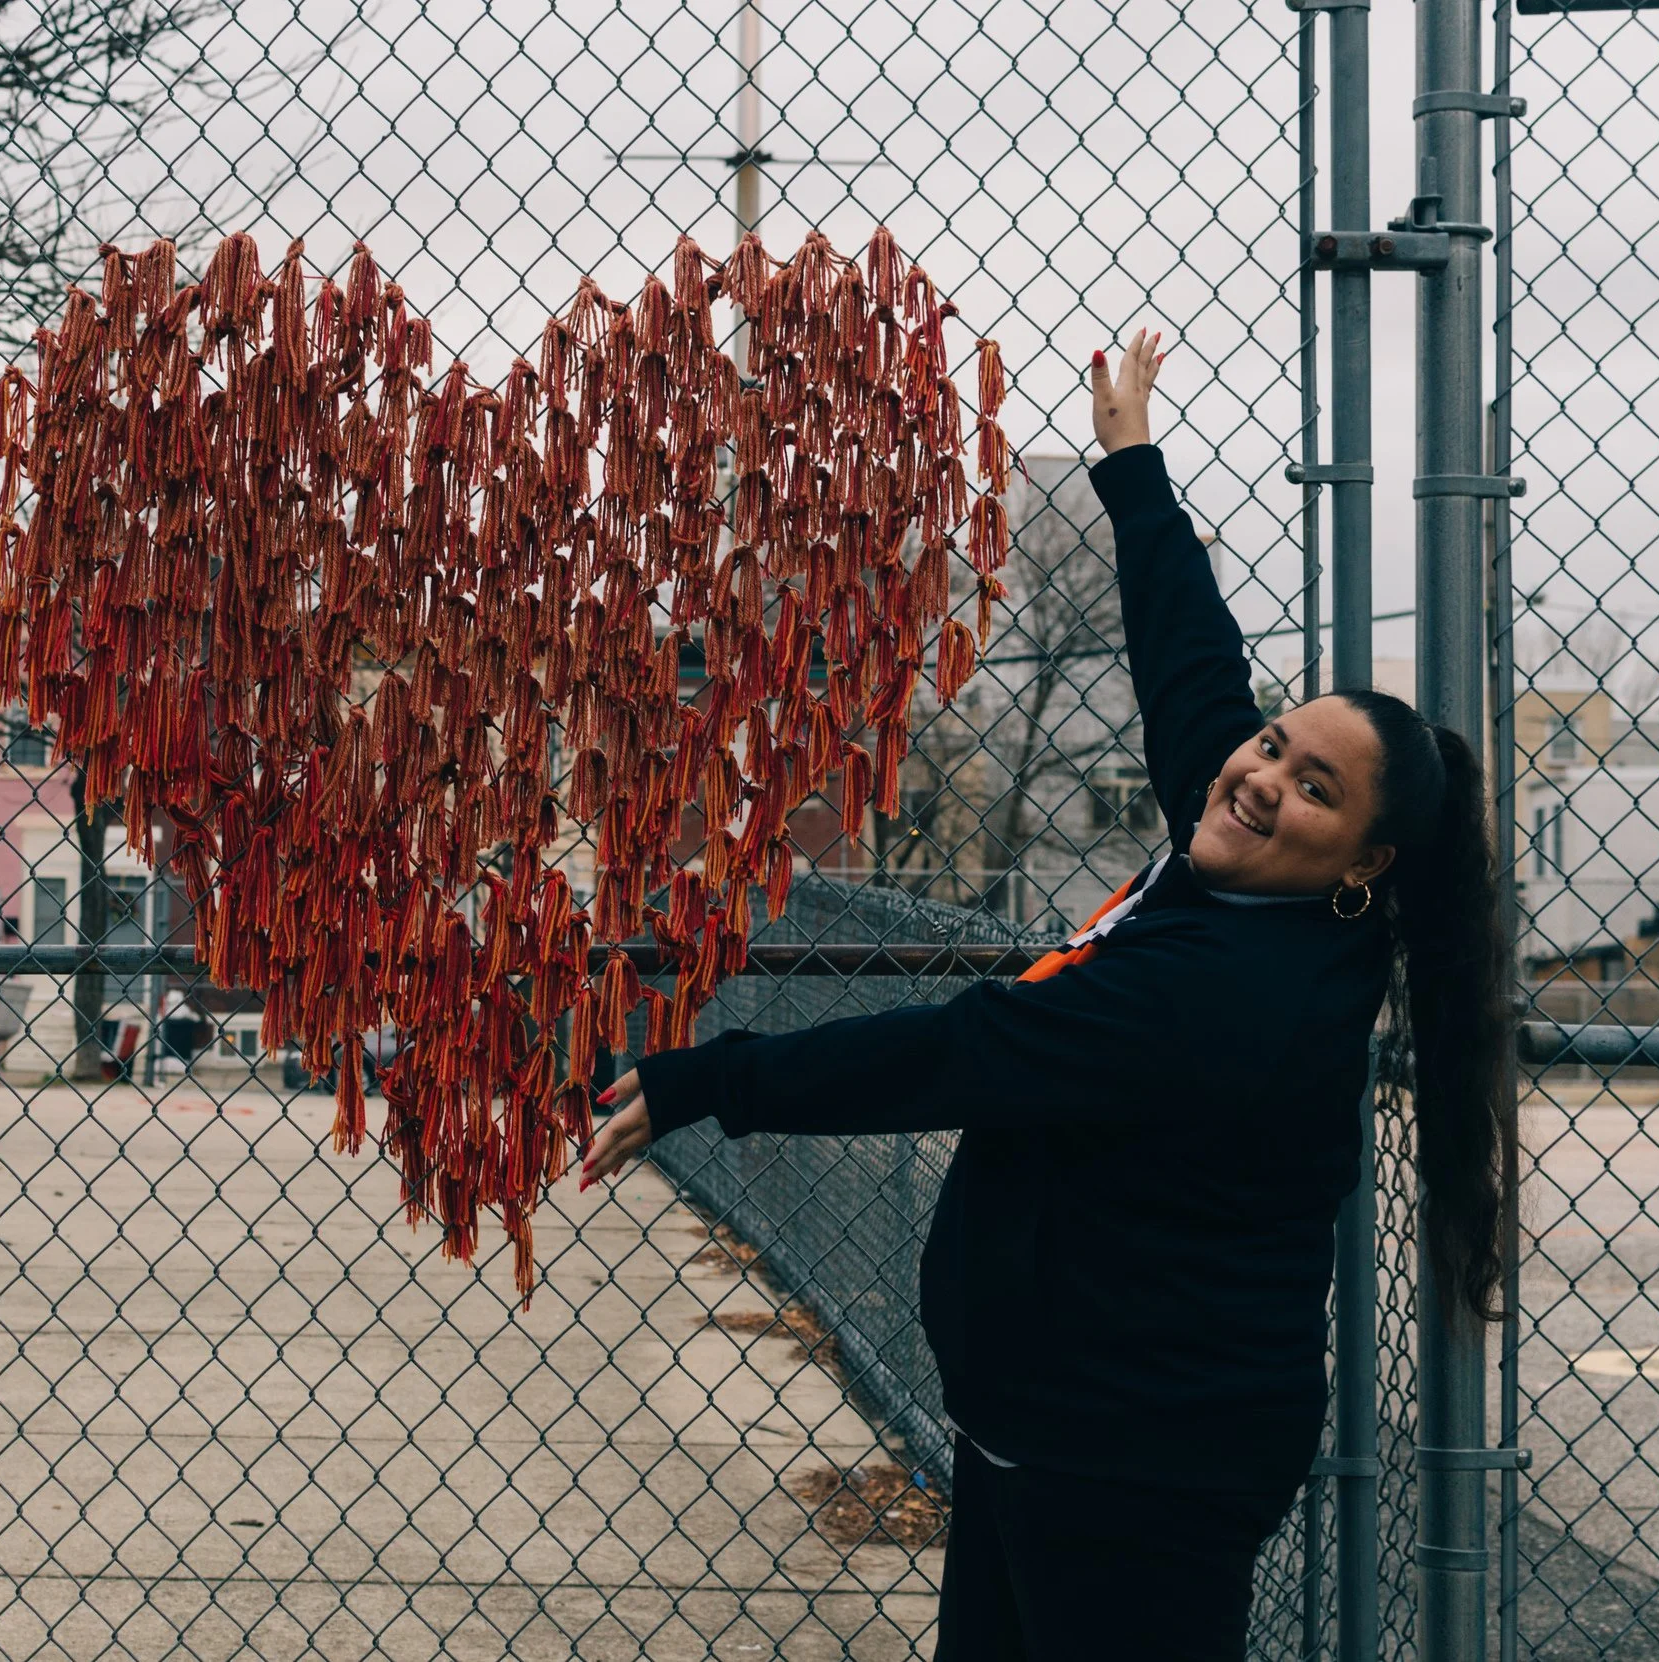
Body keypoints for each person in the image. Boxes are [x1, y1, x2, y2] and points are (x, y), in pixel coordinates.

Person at [581, 329, 1514, 1661]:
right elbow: (1191, 665)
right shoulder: (1248, 869)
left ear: (1365, 863)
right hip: (1053, 1430)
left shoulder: (1226, 993)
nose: (1260, 777)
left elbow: (960, 1051)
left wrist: (706, 1077)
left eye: (1315, 787)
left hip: (1138, 1464)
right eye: (1274, 744)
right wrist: (1133, 468)